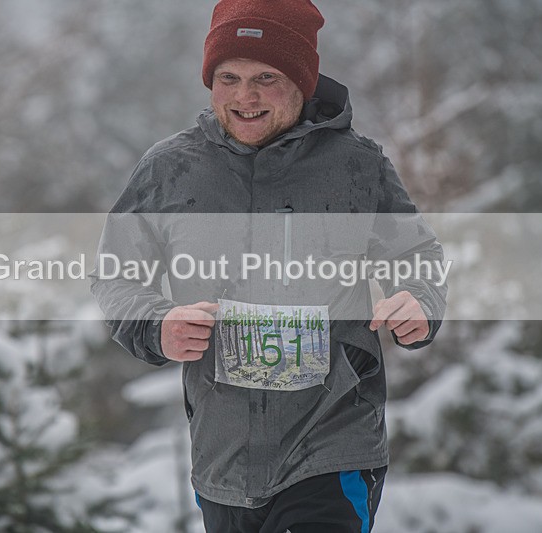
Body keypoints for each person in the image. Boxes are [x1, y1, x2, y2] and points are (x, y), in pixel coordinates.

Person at [90, 0, 447, 531]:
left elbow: (417, 257)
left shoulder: (357, 166)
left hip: (332, 443)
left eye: (266, 78)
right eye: (228, 78)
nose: (245, 96)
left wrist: (418, 301)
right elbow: (115, 272)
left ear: (302, 81)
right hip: (222, 459)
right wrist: (154, 323)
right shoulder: (170, 169)